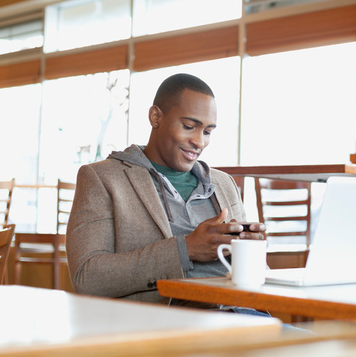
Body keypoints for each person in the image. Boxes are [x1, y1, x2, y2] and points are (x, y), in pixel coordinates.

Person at [66, 73, 266, 306]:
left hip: (241, 317)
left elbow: (253, 278)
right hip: (169, 326)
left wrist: (251, 252)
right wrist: (185, 249)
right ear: (155, 117)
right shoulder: (104, 178)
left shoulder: (224, 183)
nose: (199, 142)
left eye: (208, 131)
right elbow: (87, 277)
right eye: (189, 126)